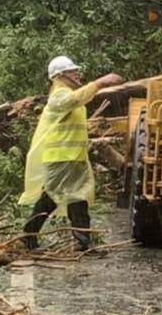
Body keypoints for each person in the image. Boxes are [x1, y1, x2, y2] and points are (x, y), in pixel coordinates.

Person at [19, 56, 123, 252]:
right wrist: (100, 82)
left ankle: (82, 242)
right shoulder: (59, 95)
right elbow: (74, 99)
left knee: (78, 196)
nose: (77, 74)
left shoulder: (67, 94)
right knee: (51, 196)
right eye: (73, 71)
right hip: (61, 157)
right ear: (60, 75)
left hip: (72, 157)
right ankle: (29, 235)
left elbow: (79, 100)